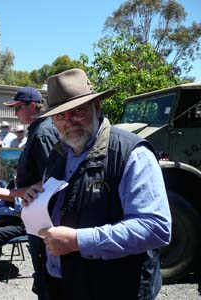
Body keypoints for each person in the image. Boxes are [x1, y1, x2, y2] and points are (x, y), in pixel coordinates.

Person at [22, 69, 172, 299]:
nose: (68, 122)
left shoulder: (130, 153)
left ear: (97, 106)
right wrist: (35, 197)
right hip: (61, 285)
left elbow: (155, 227)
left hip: (113, 288)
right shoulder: (59, 152)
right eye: (60, 116)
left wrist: (79, 241)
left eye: (77, 111)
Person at [0, 86, 59, 299]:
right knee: (42, 272)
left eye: (18, 107)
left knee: (45, 274)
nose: (15, 113)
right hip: (36, 212)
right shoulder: (37, 129)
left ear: (33, 106)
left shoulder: (43, 132)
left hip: (43, 216)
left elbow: (50, 179)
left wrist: (16, 192)